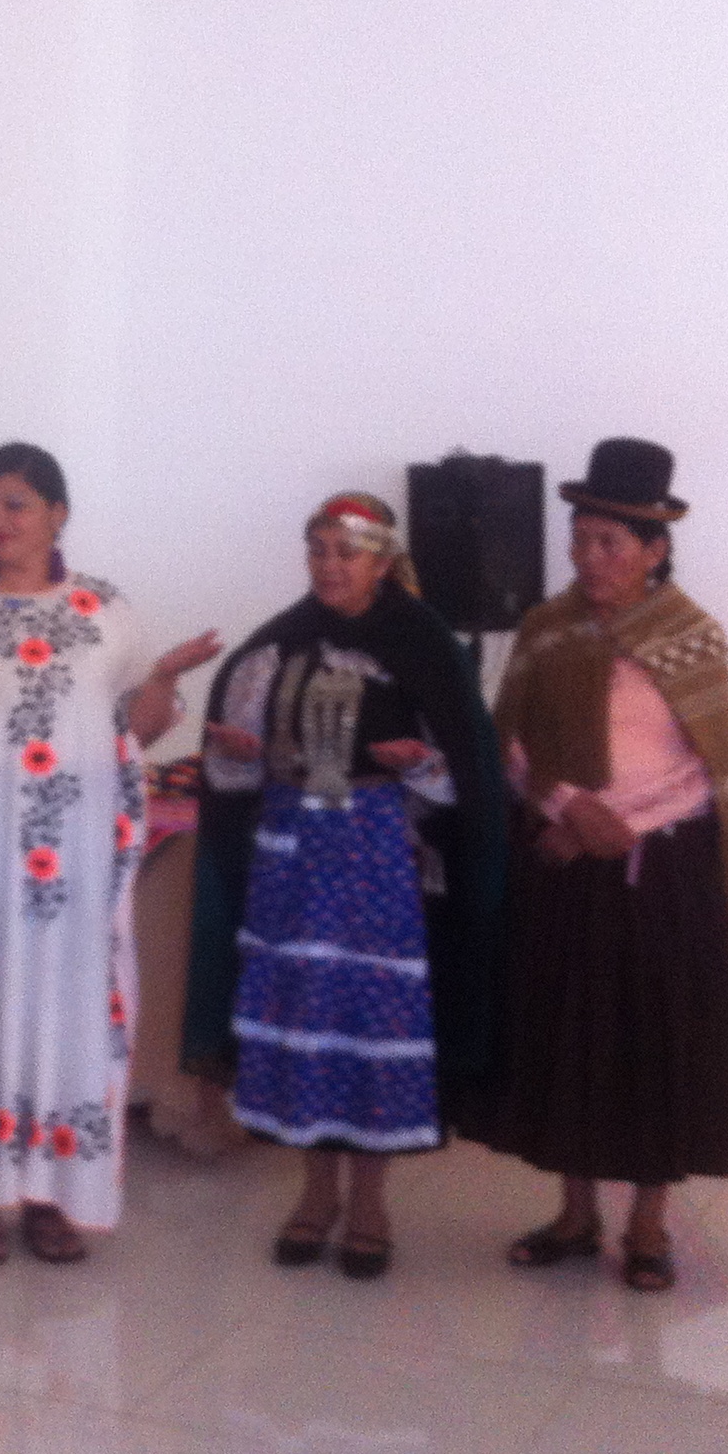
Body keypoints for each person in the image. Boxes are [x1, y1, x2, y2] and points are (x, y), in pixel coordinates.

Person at [0, 442, 220, 1264]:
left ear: (59, 513)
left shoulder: (103, 610)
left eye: (16, 504)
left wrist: (162, 675)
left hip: (75, 865)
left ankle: (55, 1198)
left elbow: (139, 730)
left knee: (69, 1021)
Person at [463, 439, 728, 1292]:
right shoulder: (546, 627)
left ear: (655, 548)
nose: (589, 558)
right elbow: (510, 744)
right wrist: (567, 806)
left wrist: (623, 823)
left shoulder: (691, 637)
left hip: (666, 874)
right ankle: (574, 1214)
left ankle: (646, 1226)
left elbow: (711, 770)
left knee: (653, 1041)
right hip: (564, 865)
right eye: (580, 539)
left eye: (610, 544)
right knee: (565, 1037)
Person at [181, 491, 507, 1281]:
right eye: (318, 549)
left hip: (374, 860)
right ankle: (313, 1194)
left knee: (365, 1019)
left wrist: (419, 767)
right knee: (300, 1014)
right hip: (289, 856)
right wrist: (234, 751)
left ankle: (369, 1203)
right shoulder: (280, 644)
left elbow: (468, 774)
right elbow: (239, 773)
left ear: (383, 562)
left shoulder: (424, 644)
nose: (329, 566)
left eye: (346, 552)